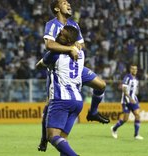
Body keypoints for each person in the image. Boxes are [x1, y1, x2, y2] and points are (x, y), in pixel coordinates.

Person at [38, 0, 109, 152]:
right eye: (64, 3)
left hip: (75, 66)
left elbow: (80, 45)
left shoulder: (74, 25)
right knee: (50, 102)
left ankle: (93, 112)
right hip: (59, 65)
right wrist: (69, 48)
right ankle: (44, 138)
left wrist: (74, 48)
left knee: (101, 85)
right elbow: (49, 45)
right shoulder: (52, 24)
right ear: (57, 8)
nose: (69, 4)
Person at [37, 25, 84, 156]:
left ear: (69, 41)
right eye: (60, 32)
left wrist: (42, 62)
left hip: (61, 99)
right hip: (77, 101)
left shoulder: (54, 54)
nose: (58, 35)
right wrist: (73, 47)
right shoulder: (81, 53)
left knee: (52, 136)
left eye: (62, 35)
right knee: (63, 141)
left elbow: (39, 65)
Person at [111, 64, 144, 140]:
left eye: (135, 69)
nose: (134, 70)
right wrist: (130, 98)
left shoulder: (136, 79)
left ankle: (136, 135)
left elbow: (134, 90)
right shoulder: (127, 78)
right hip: (126, 101)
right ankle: (114, 129)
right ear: (130, 70)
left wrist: (134, 98)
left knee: (137, 115)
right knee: (125, 119)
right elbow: (124, 90)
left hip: (134, 100)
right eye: (133, 69)